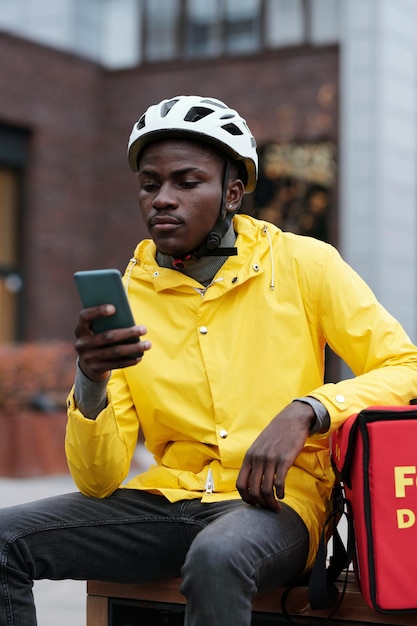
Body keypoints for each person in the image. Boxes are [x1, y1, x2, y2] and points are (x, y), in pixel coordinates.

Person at [1, 95, 417, 626]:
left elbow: (405, 367)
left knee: (218, 557)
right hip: (167, 502)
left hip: (275, 504)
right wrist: (91, 379)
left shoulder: (304, 264)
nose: (162, 199)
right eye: (150, 184)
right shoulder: (130, 294)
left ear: (232, 193)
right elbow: (98, 480)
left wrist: (308, 409)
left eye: (186, 182)